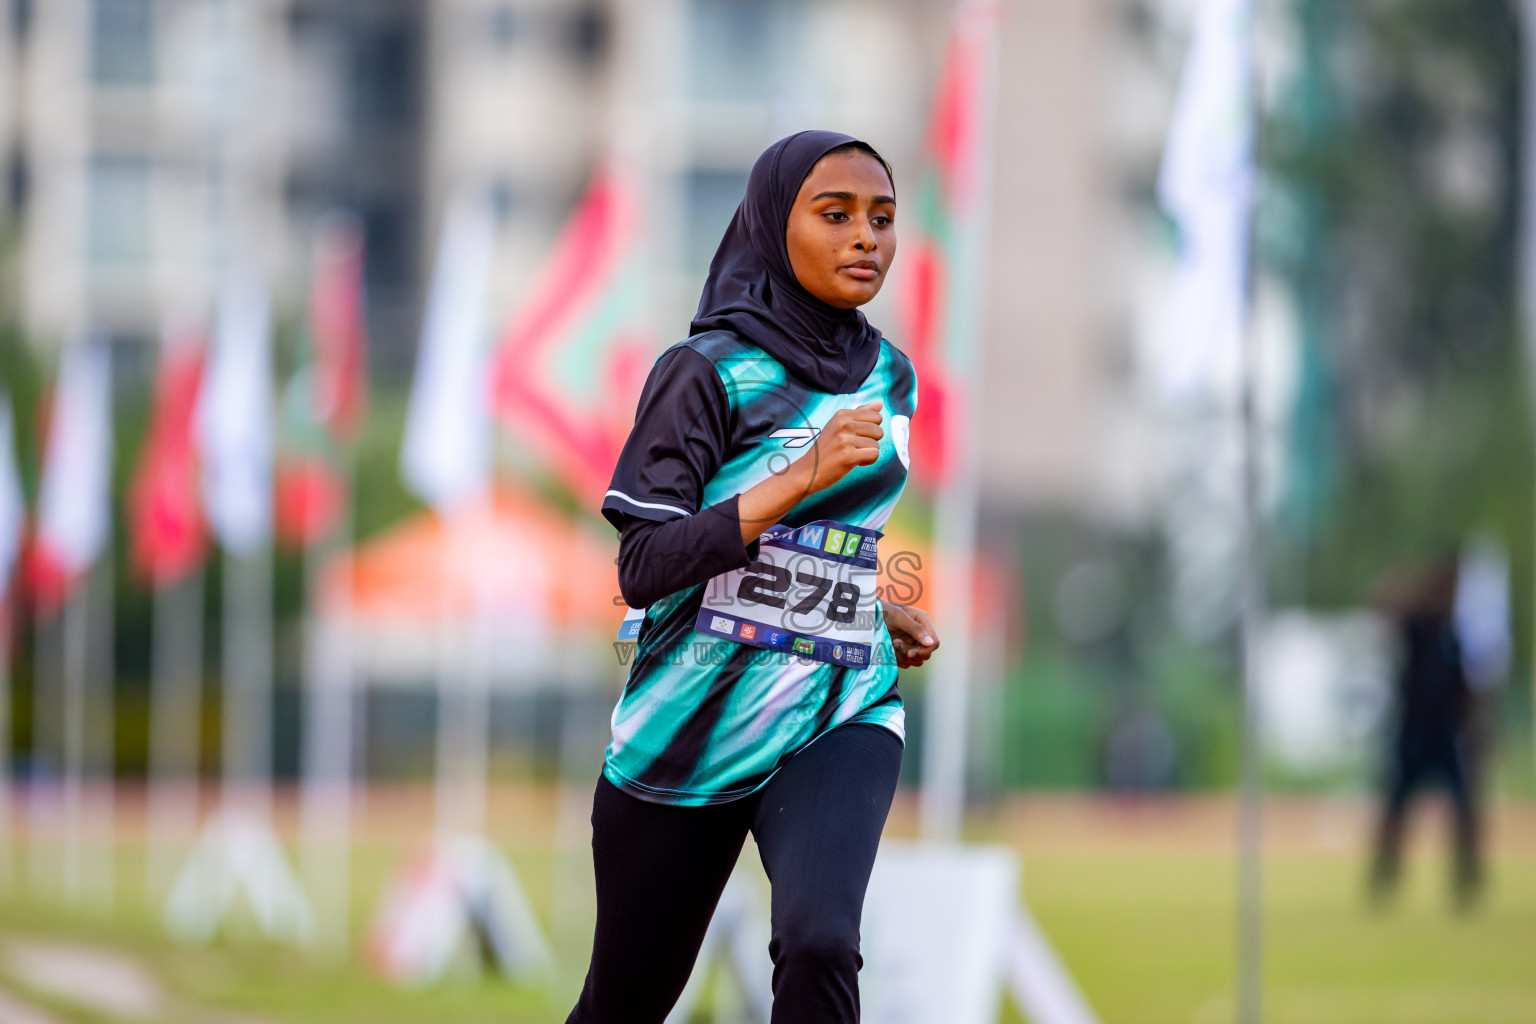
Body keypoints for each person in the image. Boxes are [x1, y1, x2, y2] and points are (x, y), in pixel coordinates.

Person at [566, 130, 940, 1024]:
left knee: (820, 942)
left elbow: (828, 538)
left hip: (839, 707)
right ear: (776, 225)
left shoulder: (893, 377)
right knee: (624, 1004)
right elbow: (645, 566)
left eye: (882, 219)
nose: (866, 239)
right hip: (688, 725)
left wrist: (868, 602)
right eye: (836, 214)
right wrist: (799, 475)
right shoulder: (702, 372)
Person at [1369, 556, 1482, 909]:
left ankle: (1465, 877)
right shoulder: (1417, 626)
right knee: (1396, 806)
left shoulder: (1454, 633)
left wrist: (1473, 729)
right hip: (1414, 732)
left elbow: (1464, 689)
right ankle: (1385, 875)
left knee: (1463, 806)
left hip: (1445, 733)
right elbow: (1383, 604)